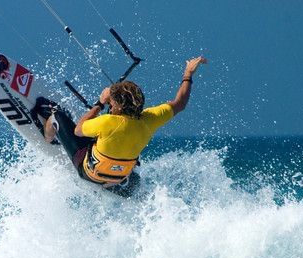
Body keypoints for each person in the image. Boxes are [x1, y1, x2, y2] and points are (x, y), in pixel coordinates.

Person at [32, 56, 207, 196]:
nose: (110, 104)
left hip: (88, 173)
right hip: (117, 179)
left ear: (117, 105)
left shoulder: (108, 121)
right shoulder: (151, 118)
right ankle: (124, 188)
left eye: (112, 102)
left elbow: (78, 130)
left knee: (57, 116)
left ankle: (49, 137)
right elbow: (180, 103)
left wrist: (99, 104)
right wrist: (188, 74)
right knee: (125, 164)